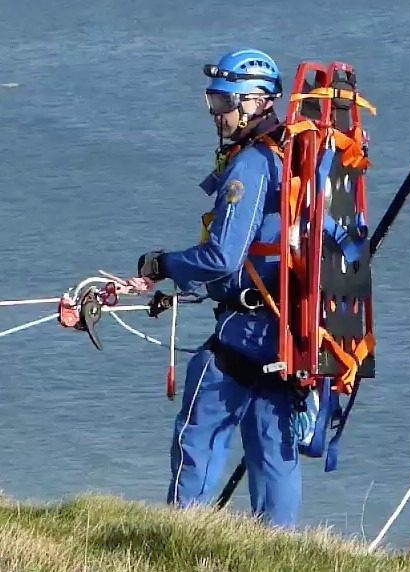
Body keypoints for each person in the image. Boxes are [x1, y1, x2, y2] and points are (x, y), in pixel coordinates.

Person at [127, 48, 302, 527]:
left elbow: (222, 256)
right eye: (213, 100)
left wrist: (164, 264)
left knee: (198, 434)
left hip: (245, 331)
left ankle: (181, 536)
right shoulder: (292, 156)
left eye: (223, 102)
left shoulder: (250, 165)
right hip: (291, 330)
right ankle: (281, 549)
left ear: (255, 102)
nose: (215, 113)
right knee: (273, 451)